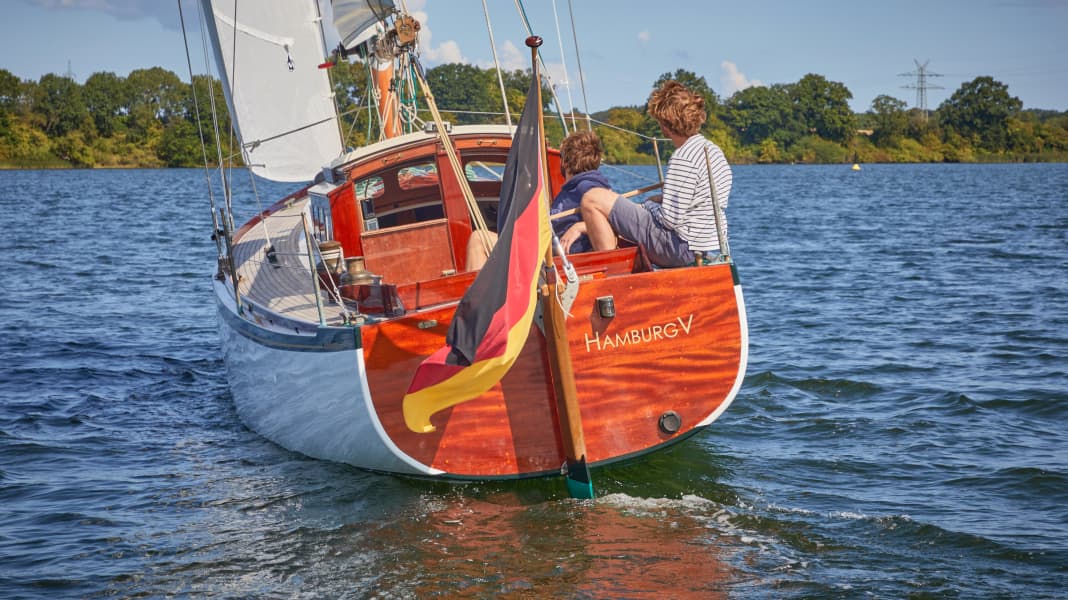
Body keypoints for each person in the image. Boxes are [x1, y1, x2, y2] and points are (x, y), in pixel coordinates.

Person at [580, 80, 732, 267]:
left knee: (592, 198)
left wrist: (649, 205)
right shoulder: (713, 151)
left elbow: (669, 220)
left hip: (677, 247)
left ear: (666, 125)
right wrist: (661, 199)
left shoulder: (683, 158)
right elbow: (699, 201)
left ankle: (613, 274)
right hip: (702, 247)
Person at [465, 129, 612, 270]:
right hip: (545, 250)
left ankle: (474, 295)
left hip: (552, 260)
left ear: (565, 163)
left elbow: (612, 225)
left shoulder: (588, 187)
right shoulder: (574, 188)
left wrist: (580, 227)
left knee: (478, 239)